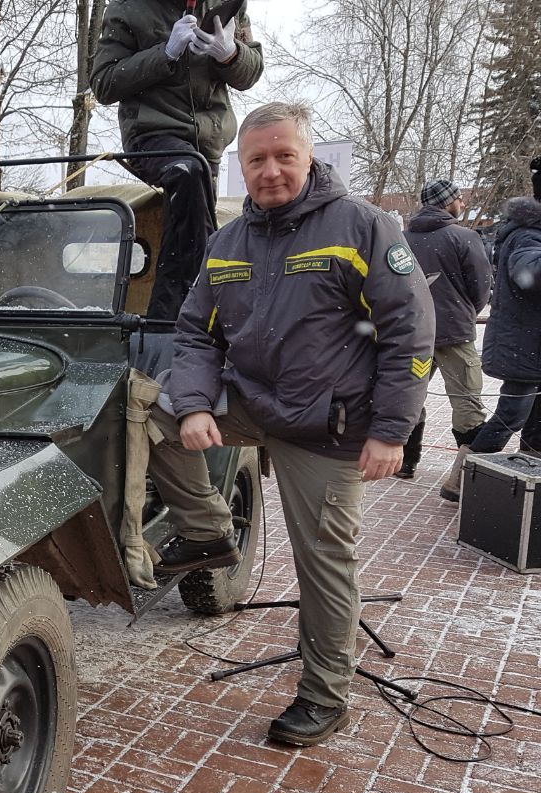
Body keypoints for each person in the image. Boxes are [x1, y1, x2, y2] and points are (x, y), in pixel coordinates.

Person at [147, 102, 434, 747]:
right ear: (241, 167)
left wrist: (391, 431)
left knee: (324, 564)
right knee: (145, 410)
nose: (271, 171)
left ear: (309, 158)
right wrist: (194, 405)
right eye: (257, 160)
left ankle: (326, 695)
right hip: (256, 402)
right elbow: (195, 334)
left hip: (328, 425)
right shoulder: (227, 242)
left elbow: (410, 332)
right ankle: (209, 532)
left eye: (285, 156)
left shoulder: (362, 226)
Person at [90, 0, 264, 322]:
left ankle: (191, 317)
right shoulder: (128, 8)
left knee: (194, 210)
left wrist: (230, 54)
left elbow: (251, 72)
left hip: (208, 143)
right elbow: (104, 82)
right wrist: (165, 53)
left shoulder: (228, 5)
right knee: (187, 172)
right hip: (151, 136)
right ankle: (176, 319)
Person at [440, 159, 541, 500]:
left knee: (537, 416)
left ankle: (529, 478)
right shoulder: (527, 234)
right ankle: (463, 479)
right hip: (524, 344)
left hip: (530, 343)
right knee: (512, 413)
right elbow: (529, 275)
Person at [396, 180, 493, 478]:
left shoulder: (401, 239)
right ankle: (468, 474)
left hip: (412, 333)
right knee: (466, 401)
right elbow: (481, 287)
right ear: (447, 202)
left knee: (409, 396)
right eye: (459, 199)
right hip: (454, 334)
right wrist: (462, 312)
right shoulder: (464, 237)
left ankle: (406, 462)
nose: (462, 203)